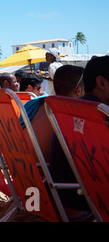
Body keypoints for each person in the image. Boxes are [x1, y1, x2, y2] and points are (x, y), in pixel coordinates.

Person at [49, 57, 109, 221]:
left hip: (67, 199)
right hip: (89, 204)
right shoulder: (101, 116)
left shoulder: (72, 110)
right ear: (102, 83)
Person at [21, 65, 85, 164]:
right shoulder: (69, 114)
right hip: (47, 174)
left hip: (22, 167)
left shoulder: (35, 104)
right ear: (79, 90)